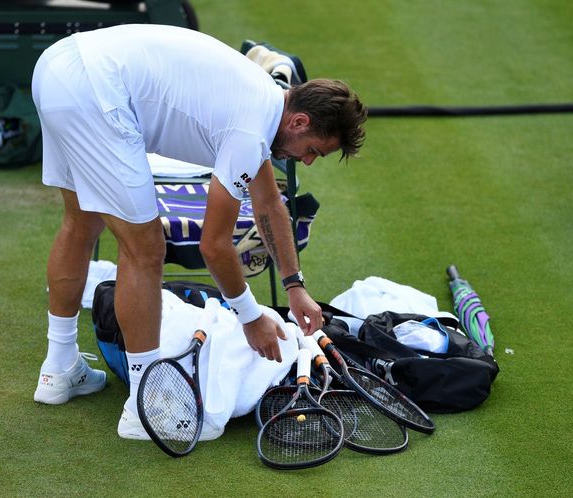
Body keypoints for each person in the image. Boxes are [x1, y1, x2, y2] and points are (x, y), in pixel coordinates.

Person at [30, 24, 367, 440]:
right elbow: (214, 244)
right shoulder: (250, 130)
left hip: (57, 68)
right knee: (146, 248)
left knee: (81, 220)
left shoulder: (263, 103)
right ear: (299, 121)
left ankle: (59, 368)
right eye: (314, 149)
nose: (309, 161)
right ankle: (144, 404)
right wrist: (251, 317)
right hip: (99, 92)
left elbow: (268, 204)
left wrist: (294, 286)